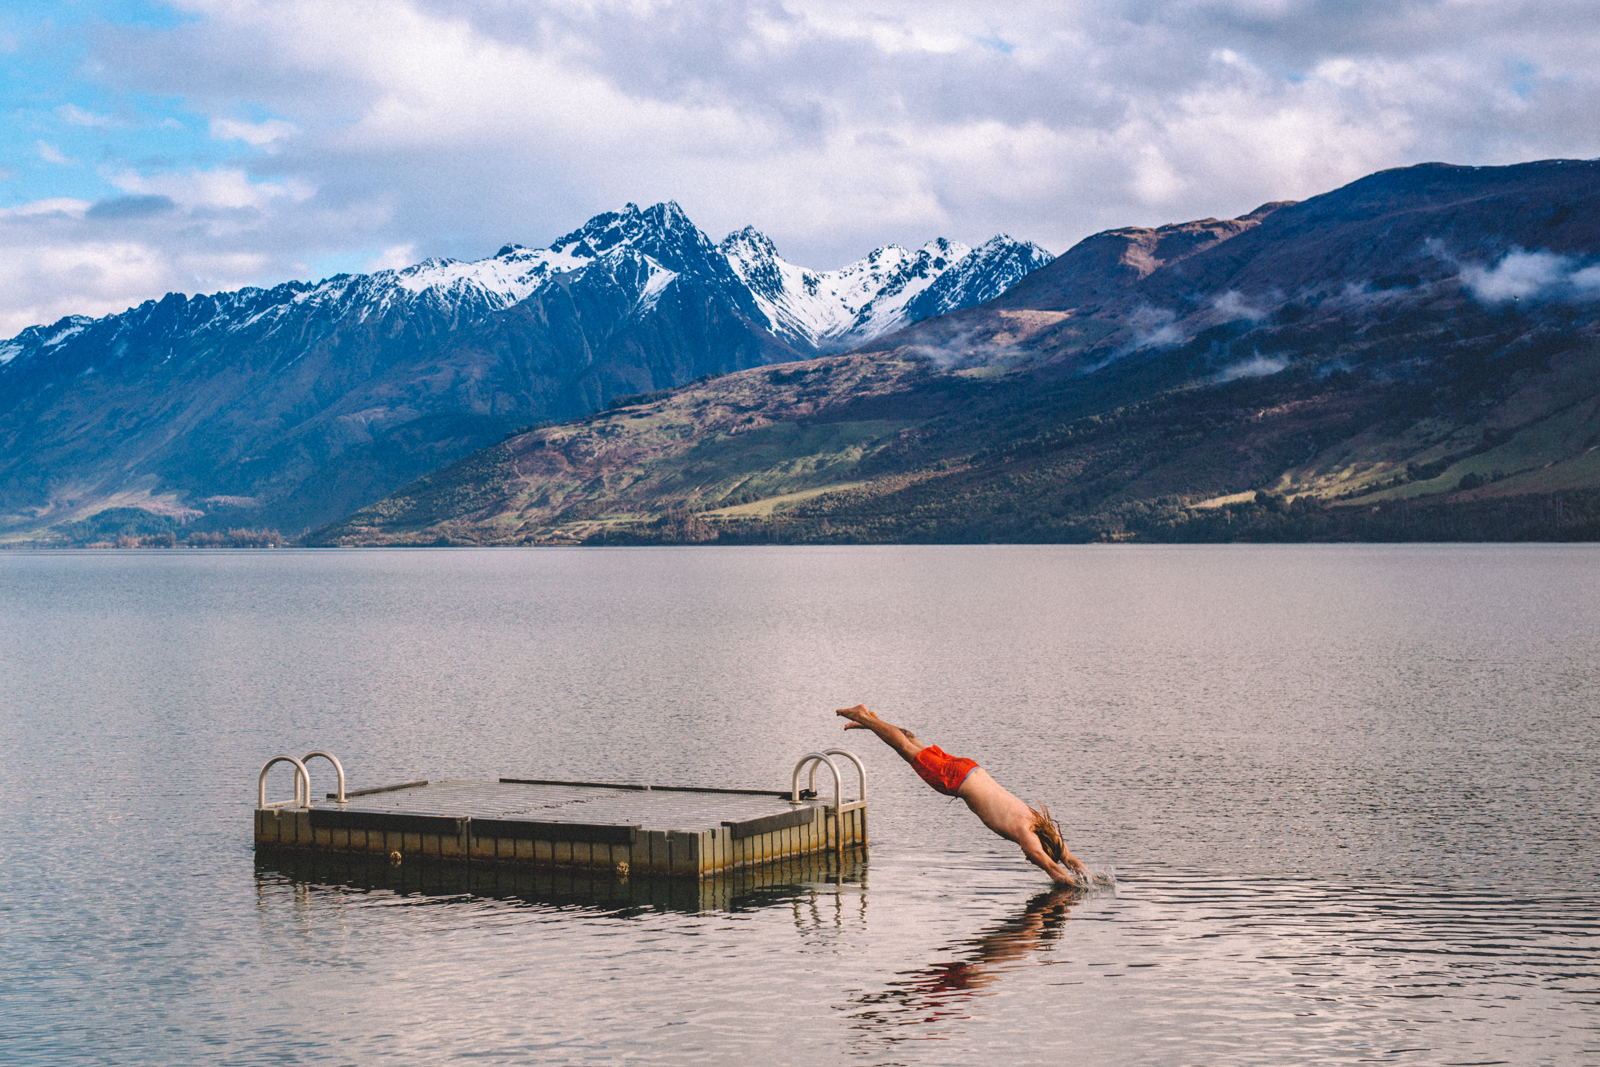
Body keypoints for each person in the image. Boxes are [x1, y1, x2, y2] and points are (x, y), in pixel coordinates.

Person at [836, 704, 1088, 885]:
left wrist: (1093, 879)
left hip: (971, 768)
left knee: (912, 741)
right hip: (957, 781)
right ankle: (865, 717)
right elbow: (1052, 866)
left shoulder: (1043, 825)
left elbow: (1069, 858)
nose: (1027, 856)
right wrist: (1075, 889)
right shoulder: (1029, 834)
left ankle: (871, 721)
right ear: (1043, 845)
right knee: (903, 747)